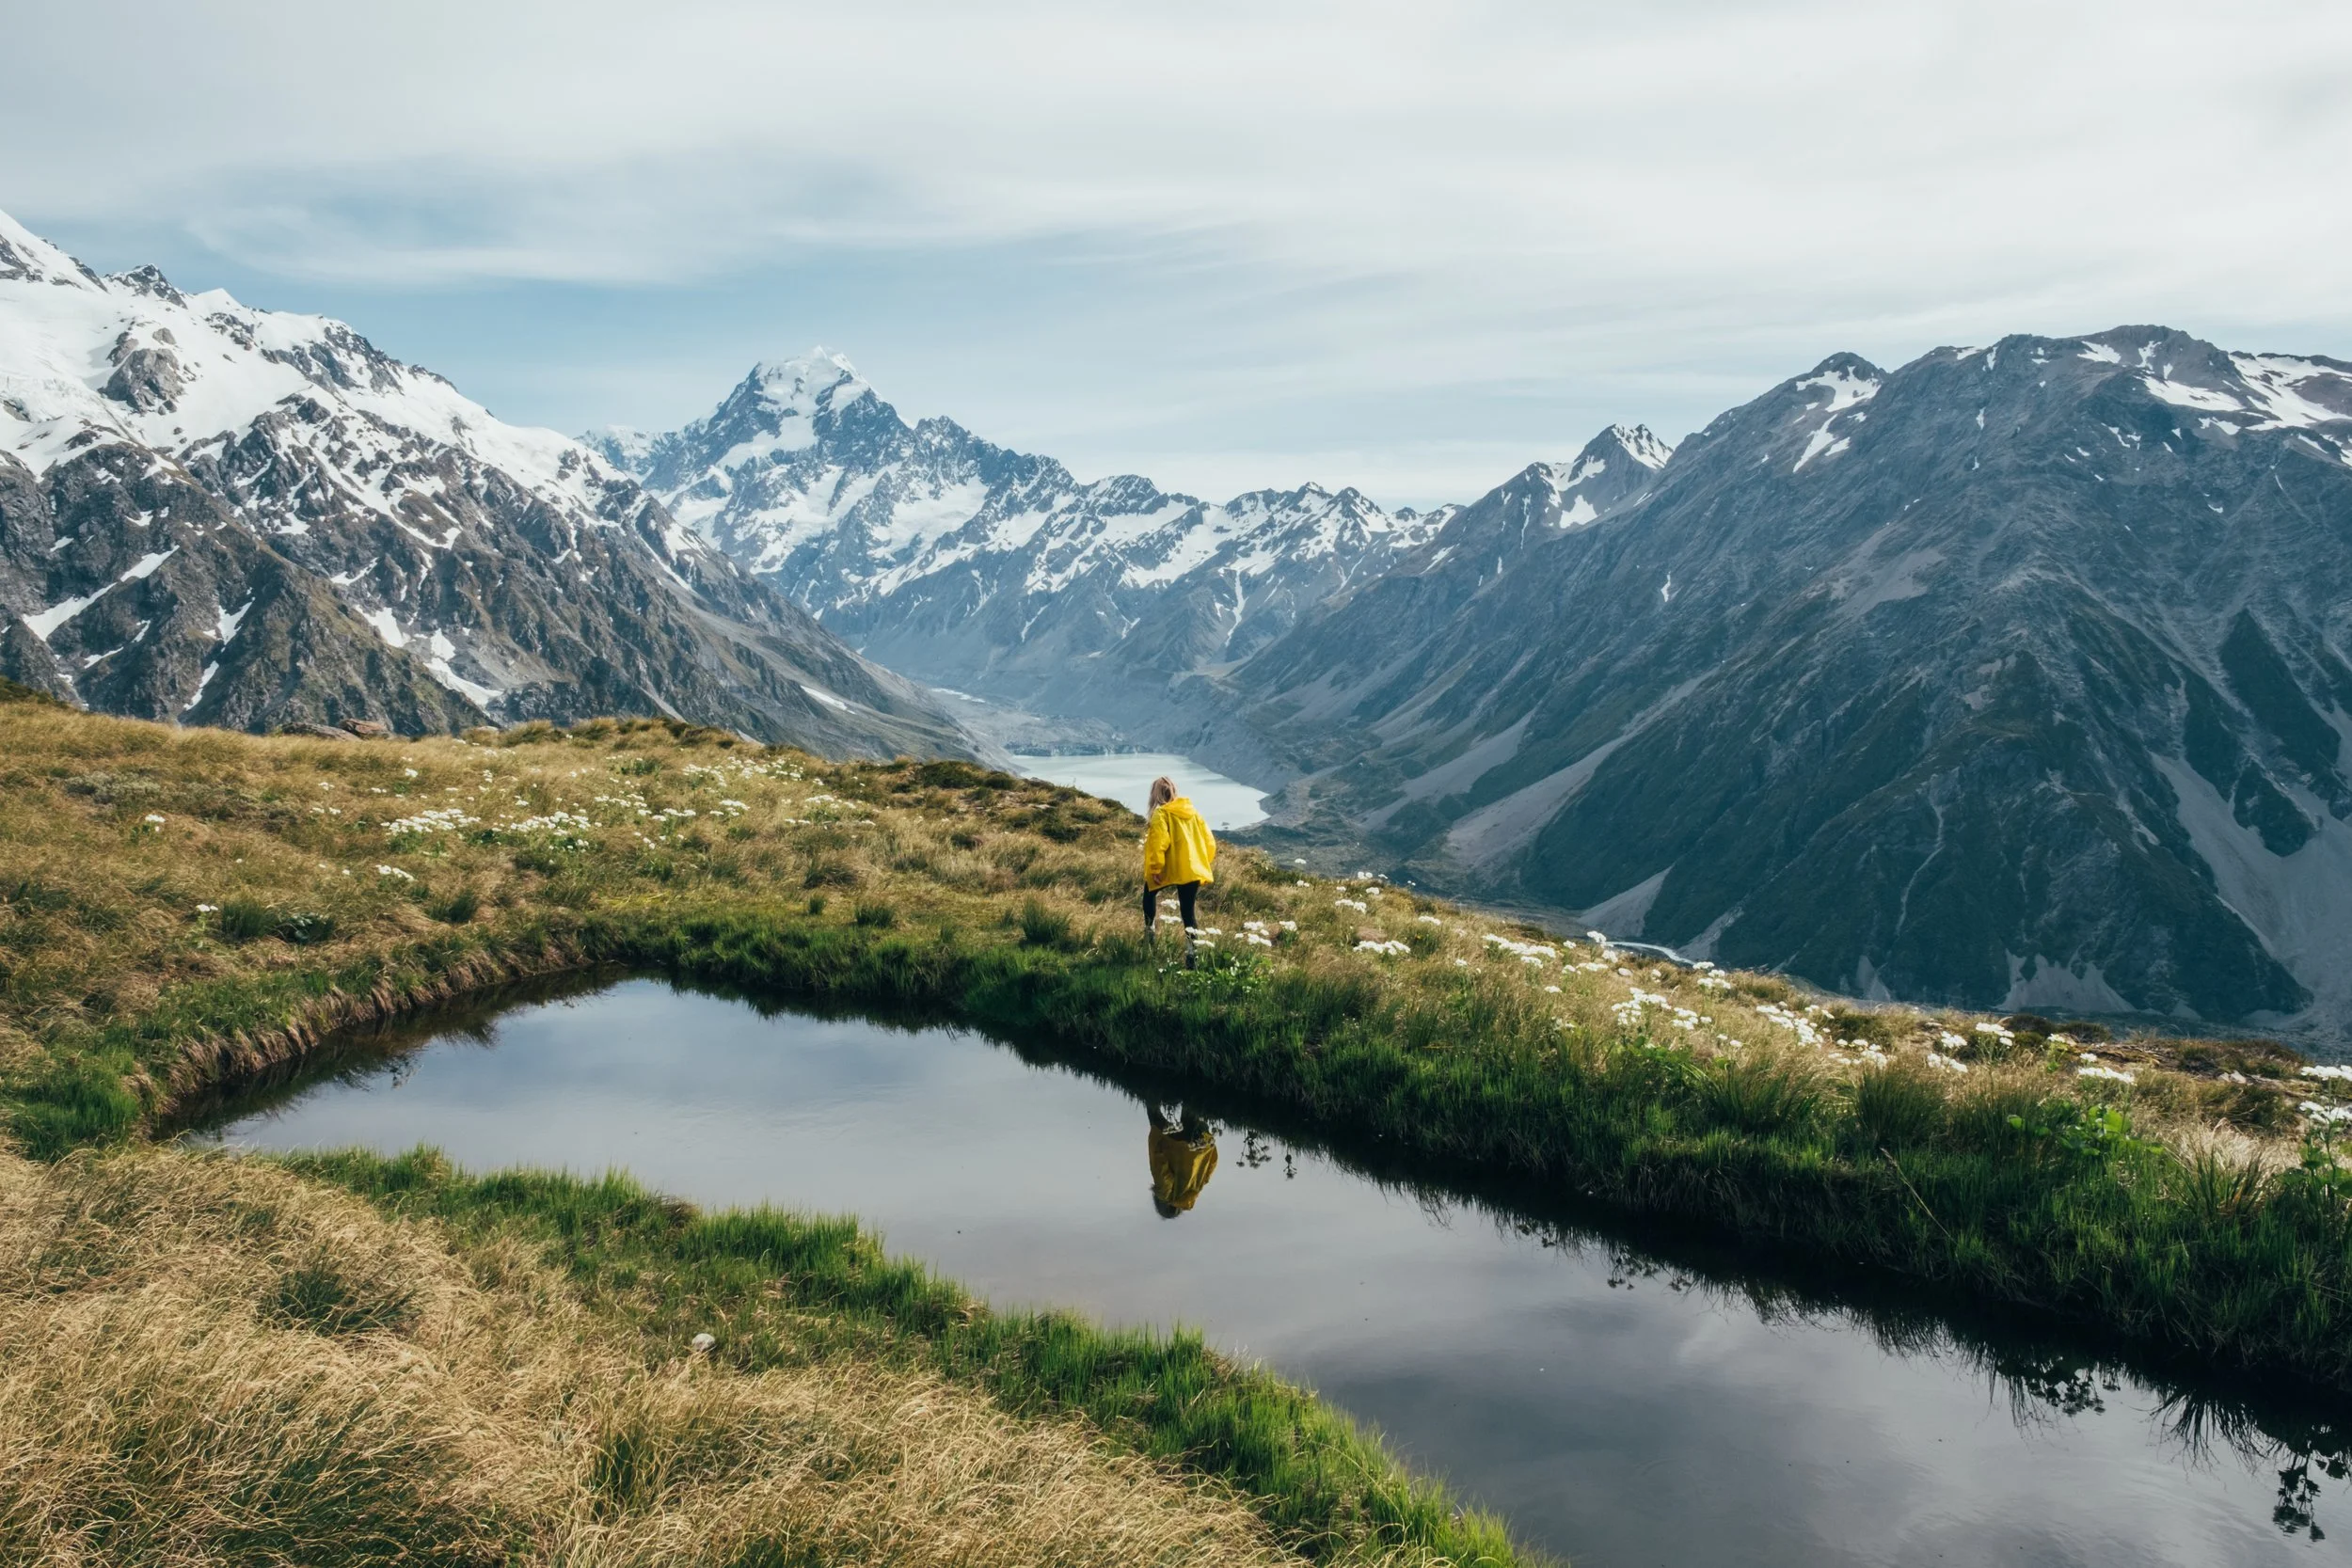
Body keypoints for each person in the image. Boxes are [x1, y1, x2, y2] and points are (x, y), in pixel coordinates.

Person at [1141, 775, 1216, 954]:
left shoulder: (1161, 813)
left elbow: (1159, 843)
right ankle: (1192, 954)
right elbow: (1210, 842)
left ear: (1155, 795)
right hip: (1191, 868)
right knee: (1188, 912)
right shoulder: (1193, 813)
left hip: (1169, 866)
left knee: (1149, 892)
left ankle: (1149, 933)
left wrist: (1155, 868)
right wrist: (1202, 862)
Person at [1147, 1102, 1218, 1218]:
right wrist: (1157, 1143)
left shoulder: (1196, 1190)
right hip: (1181, 1145)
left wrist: (1210, 1148)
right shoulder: (1165, 1196)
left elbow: (1212, 1165)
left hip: (1204, 1143)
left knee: (1193, 1104)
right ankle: (1150, 1090)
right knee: (1153, 1114)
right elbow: (1162, 1172)